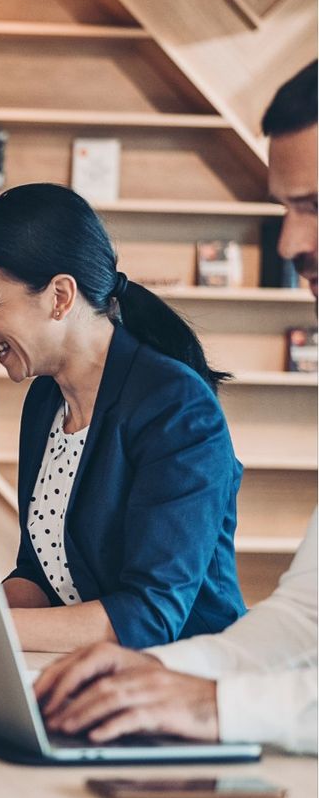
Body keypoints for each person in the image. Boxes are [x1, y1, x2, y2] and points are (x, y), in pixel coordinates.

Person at [35, 61, 318, 754]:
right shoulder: (46, 398)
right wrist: (152, 673)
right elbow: (306, 621)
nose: (288, 245)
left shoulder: (172, 406)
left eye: (313, 205)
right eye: (287, 208)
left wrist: (222, 707)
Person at [0, 183, 244, 654]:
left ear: (60, 296)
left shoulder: (177, 408)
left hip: (182, 682)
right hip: (86, 672)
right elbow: (39, 575)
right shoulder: (46, 400)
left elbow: (150, 616)